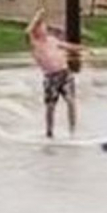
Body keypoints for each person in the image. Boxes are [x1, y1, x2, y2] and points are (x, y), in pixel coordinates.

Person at [26, 8, 90, 138]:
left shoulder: (52, 40)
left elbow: (67, 46)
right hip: (51, 77)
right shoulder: (35, 43)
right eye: (42, 27)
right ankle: (49, 132)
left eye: (45, 27)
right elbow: (27, 31)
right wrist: (37, 16)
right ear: (37, 31)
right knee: (50, 106)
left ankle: (73, 131)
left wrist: (83, 48)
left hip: (65, 74)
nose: (45, 29)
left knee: (71, 101)